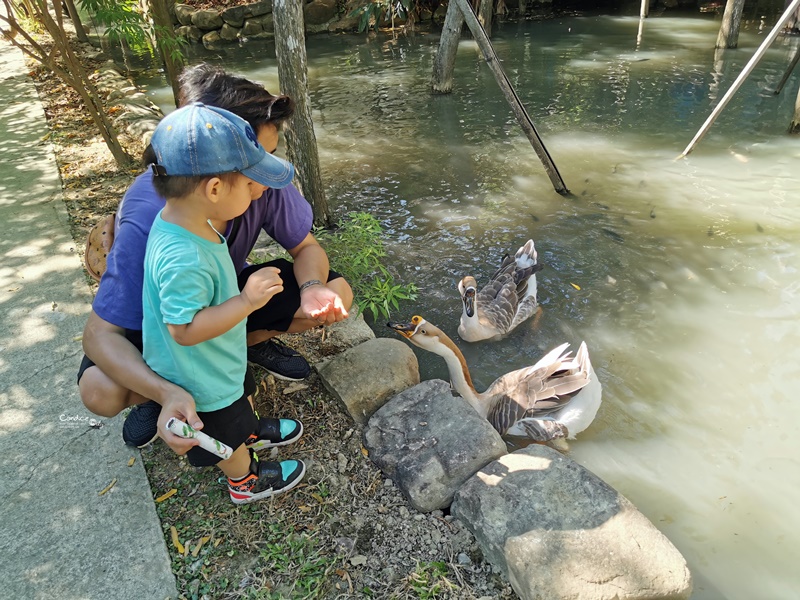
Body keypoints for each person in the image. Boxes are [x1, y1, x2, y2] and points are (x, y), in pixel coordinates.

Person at [78, 64, 352, 453]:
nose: (271, 174)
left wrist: (311, 288)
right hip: (164, 320)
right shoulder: (149, 217)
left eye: (272, 155)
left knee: (335, 290)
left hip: (221, 297)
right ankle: (164, 387)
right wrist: (165, 389)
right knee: (99, 391)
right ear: (216, 179)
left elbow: (307, 247)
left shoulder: (260, 180)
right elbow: (100, 334)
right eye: (259, 161)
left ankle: (243, 346)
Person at [142, 102, 306, 503]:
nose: (260, 190)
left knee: (240, 396)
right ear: (214, 189)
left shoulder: (186, 222)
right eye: (250, 183)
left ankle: (246, 430)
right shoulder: (184, 257)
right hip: (200, 375)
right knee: (223, 431)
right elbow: (184, 330)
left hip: (220, 360)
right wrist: (247, 301)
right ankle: (244, 479)